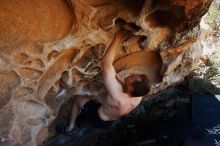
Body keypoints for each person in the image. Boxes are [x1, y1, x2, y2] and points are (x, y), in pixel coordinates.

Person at [56, 30, 150, 136]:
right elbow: (119, 80)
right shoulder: (138, 97)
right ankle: (82, 118)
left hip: (97, 118)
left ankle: (70, 129)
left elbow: (106, 64)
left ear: (131, 88)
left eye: (131, 77)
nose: (130, 74)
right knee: (92, 102)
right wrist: (113, 72)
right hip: (109, 122)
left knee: (78, 99)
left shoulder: (117, 95)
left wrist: (117, 38)